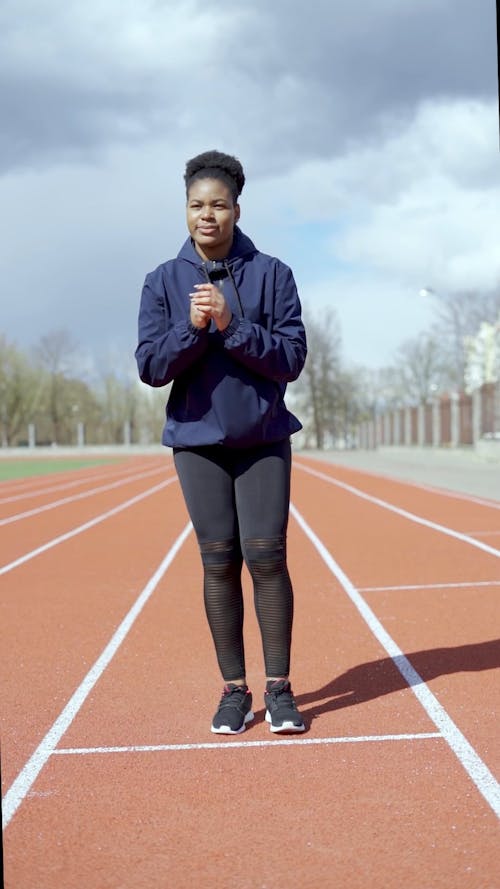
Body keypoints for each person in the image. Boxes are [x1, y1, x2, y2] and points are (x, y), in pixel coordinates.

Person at [135, 150, 307, 735]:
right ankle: (234, 691)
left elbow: (290, 360)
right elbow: (152, 367)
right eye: (195, 205)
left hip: (262, 437)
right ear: (185, 210)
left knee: (266, 557)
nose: (206, 216)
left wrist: (232, 325)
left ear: (236, 208)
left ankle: (280, 690)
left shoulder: (273, 274)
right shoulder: (162, 280)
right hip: (197, 441)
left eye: (218, 205)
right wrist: (193, 328)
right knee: (218, 561)